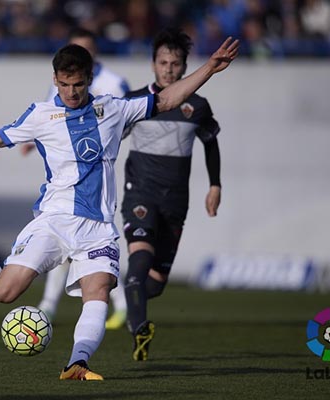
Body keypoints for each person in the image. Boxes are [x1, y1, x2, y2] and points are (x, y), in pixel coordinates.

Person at [0, 37, 238, 380]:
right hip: (54, 221)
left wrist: (210, 68)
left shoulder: (115, 108)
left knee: (97, 293)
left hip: (98, 229)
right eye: (64, 84)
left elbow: (168, 98)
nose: (71, 92)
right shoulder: (41, 115)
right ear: (55, 80)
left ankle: (77, 363)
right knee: (2, 292)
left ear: (90, 78)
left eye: (78, 84)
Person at [121, 28, 224, 361]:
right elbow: (107, 139)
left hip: (175, 201)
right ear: (152, 64)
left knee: (155, 284)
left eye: (175, 63)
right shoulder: (134, 102)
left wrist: (215, 184)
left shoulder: (198, 105)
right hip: (139, 195)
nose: (168, 69)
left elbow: (210, 143)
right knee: (137, 264)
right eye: (163, 62)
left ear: (184, 66)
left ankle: (136, 305)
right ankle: (140, 329)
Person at [29, 27, 131, 330]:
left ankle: (122, 306)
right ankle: (49, 306)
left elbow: (123, 119)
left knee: (96, 246)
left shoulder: (113, 83)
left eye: (86, 47)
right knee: (66, 242)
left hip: (97, 170)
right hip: (65, 171)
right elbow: (51, 118)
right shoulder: (62, 81)